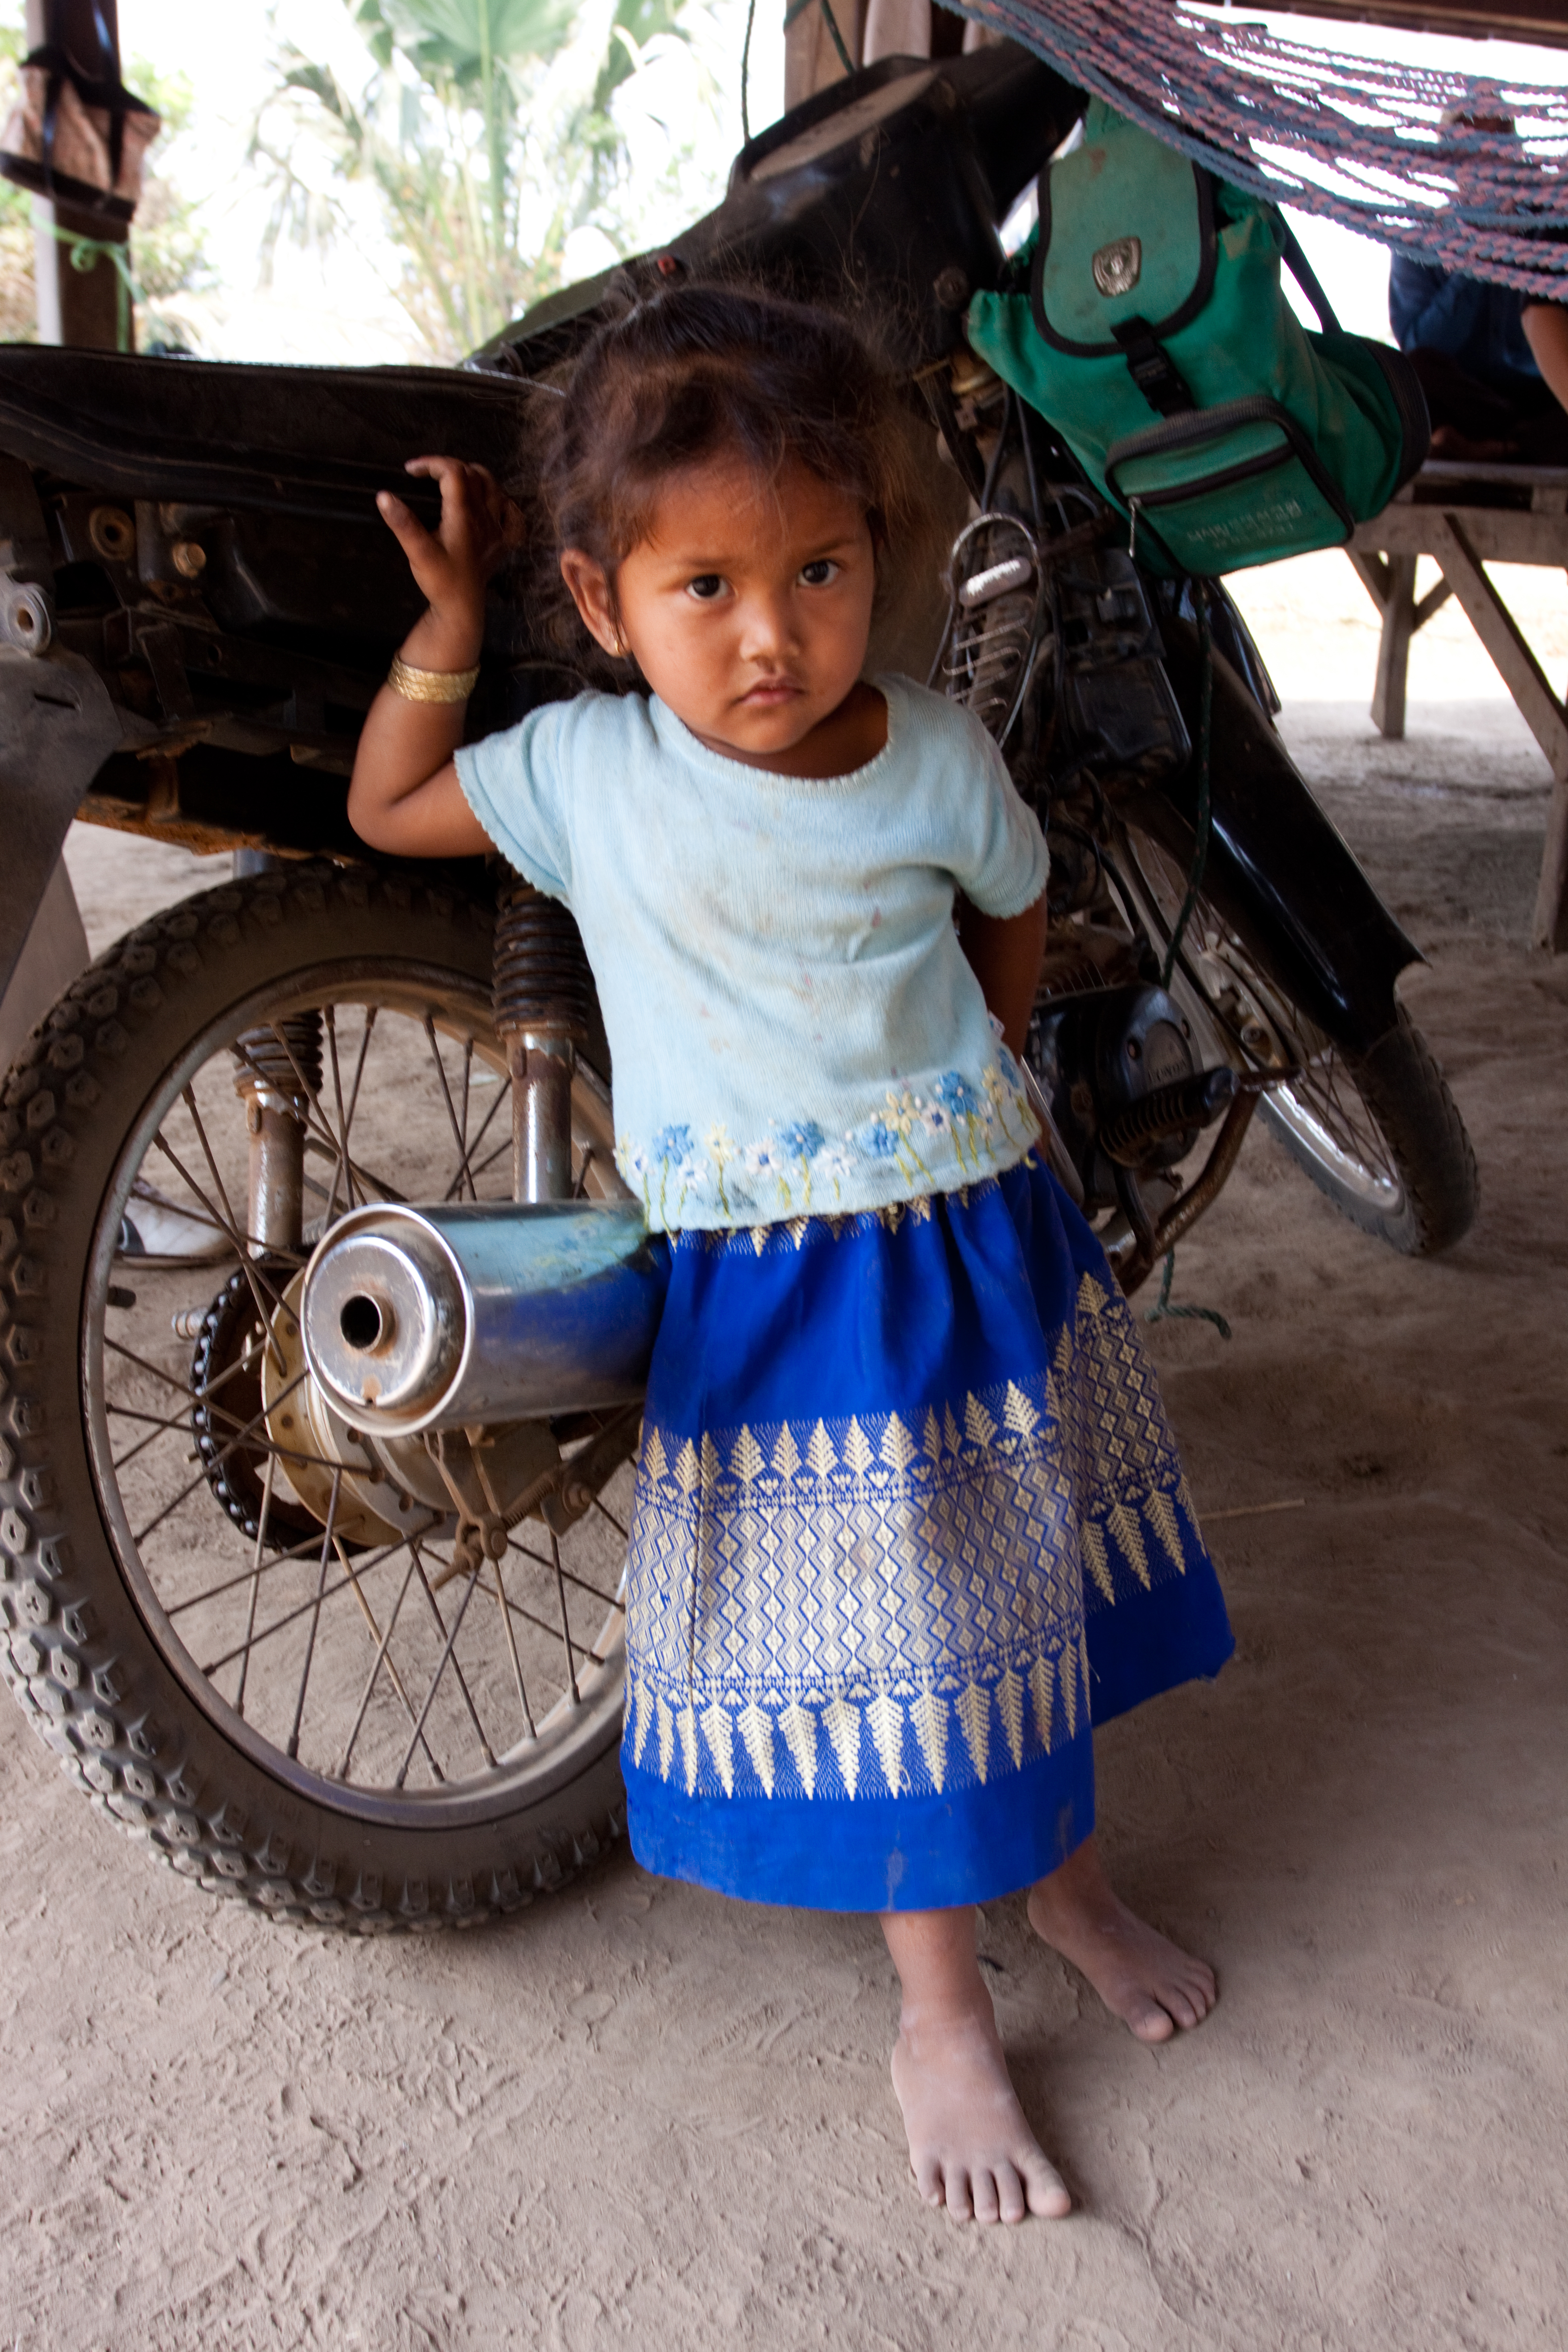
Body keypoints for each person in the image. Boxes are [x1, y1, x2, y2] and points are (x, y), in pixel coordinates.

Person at [346, 286, 1233, 2228]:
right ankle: (939, 2010)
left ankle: (1064, 1881)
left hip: (984, 1246)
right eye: (707, 589)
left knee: (1023, 1589)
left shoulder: (926, 754)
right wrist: (447, 635)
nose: (773, 635)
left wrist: (985, 1062)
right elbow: (389, 804)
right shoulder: (589, 775)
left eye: (820, 569)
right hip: (783, 1304)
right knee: (909, 1642)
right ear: (604, 599)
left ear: (881, 561)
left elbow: (1010, 899)